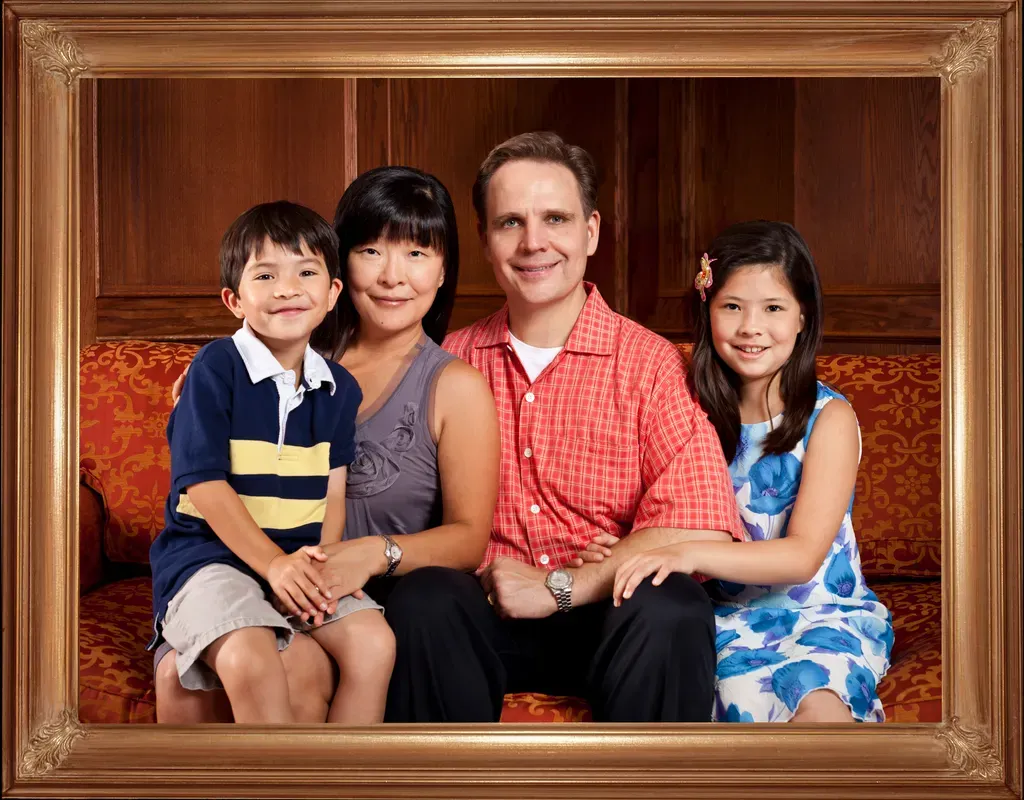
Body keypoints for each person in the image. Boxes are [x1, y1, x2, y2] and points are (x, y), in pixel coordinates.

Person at [377, 131, 746, 723]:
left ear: (591, 232)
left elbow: (703, 527)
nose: (534, 243)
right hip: (481, 616)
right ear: (483, 238)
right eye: (510, 223)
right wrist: (255, 377)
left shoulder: (650, 364)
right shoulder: (447, 363)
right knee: (422, 598)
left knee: (671, 603)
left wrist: (565, 585)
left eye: (555, 218)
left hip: (612, 617)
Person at [154, 168, 500, 724]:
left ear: (443, 270)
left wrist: (362, 556)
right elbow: (203, 474)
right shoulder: (278, 353)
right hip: (236, 568)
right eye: (370, 251)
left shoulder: (450, 384)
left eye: (417, 253)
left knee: (317, 660)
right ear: (343, 266)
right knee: (191, 674)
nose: (393, 276)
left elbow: (467, 539)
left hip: (339, 589)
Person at [612, 220, 894, 722]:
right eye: (732, 307)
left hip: (818, 615)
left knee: (820, 710)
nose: (750, 328)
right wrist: (626, 550)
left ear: (803, 317)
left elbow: (802, 557)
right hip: (718, 619)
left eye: (773, 308)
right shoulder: (683, 407)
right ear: (707, 310)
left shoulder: (829, 418)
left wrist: (678, 551)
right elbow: (644, 510)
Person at [148, 200, 395, 724]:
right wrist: (273, 565)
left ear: (331, 294)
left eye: (306, 272)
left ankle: (347, 781)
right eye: (265, 275)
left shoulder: (339, 389)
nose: (287, 288)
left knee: (373, 641)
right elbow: (206, 486)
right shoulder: (215, 367)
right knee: (249, 653)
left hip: (293, 561)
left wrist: (318, 569)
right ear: (235, 299)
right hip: (209, 561)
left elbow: (333, 492)